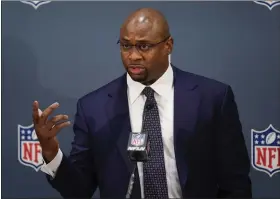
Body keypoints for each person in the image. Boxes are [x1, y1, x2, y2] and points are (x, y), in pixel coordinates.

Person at [32, 8, 252, 198]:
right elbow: (78, 191)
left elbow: (235, 182)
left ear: (168, 45)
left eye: (144, 46)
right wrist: (51, 152)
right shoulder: (93, 108)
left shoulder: (212, 98)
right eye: (126, 46)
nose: (133, 56)